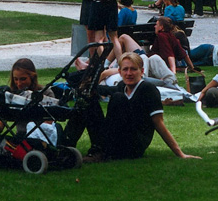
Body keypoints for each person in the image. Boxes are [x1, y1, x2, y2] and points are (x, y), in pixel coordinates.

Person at [70, 53, 199, 162]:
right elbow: (103, 89)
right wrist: (88, 88)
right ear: (119, 72)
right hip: (117, 138)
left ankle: (102, 151)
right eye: (125, 70)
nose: (129, 73)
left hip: (134, 144)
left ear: (142, 71)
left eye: (133, 69)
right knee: (86, 101)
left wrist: (180, 153)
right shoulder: (122, 86)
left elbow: (159, 123)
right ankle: (66, 148)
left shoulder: (148, 89)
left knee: (118, 98)